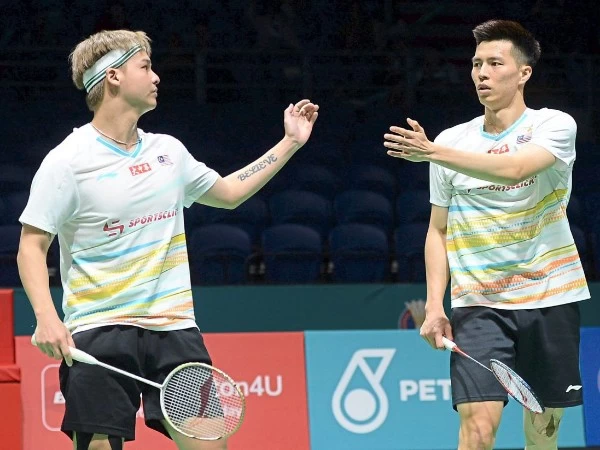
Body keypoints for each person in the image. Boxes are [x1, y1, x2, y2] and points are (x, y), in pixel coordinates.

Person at [17, 29, 318, 450]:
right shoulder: (67, 161)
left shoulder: (168, 152)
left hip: (174, 328)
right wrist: (47, 318)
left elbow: (229, 193)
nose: (156, 77)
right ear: (113, 76)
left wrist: (290, 143)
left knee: (209, 443)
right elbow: (31, 246)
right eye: (145, 67)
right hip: (99, 326)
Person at [384, 19, 588, 450]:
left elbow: (515, 168)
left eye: (495, 63)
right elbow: (438, 230)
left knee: (543, 436)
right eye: (477, 63)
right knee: (477, 431)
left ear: (524, 72)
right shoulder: (453, 140)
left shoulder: (554, 125)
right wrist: (435, 305)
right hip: (478, 304)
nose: (482, 73)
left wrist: (433, 152)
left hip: (551, 296)